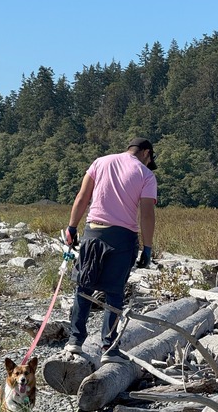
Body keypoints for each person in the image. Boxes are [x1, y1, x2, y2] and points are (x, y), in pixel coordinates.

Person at [63, 137, 158, 363]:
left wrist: (72, 227)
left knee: (84, 287)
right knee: (114, 293)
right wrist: (147, 247)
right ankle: (109, 348)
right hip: (123, 238)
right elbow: (146, 214)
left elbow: (82, 197)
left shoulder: (100, 162)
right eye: (150, 159)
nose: (149, 163)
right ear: (146, 153)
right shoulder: (146, 175)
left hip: (93, 232)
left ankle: (75, 341)